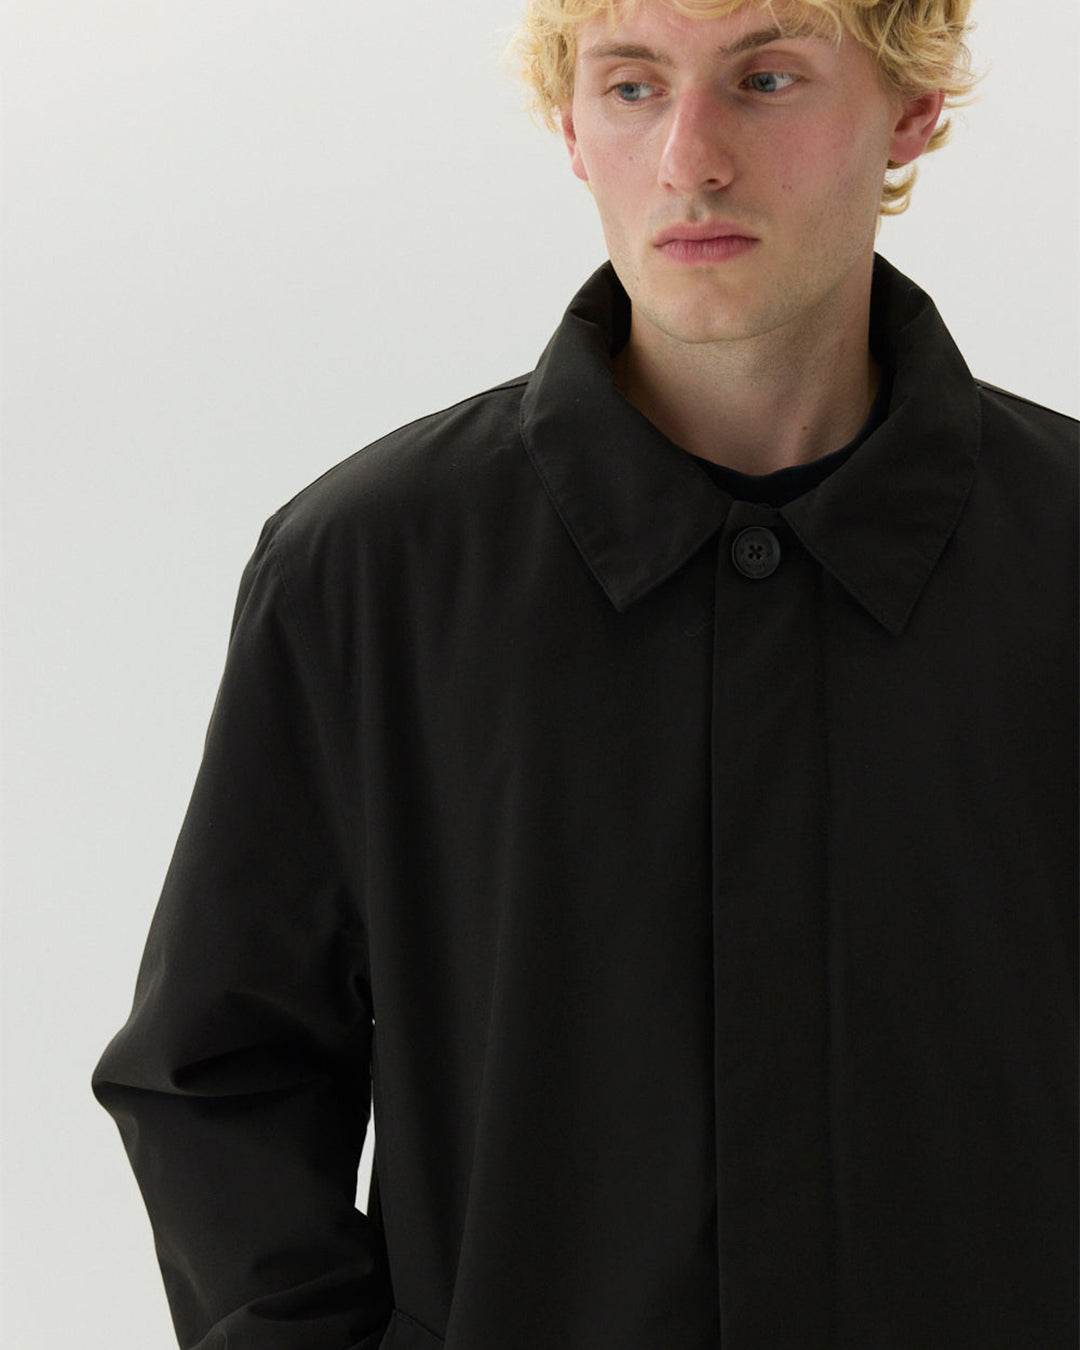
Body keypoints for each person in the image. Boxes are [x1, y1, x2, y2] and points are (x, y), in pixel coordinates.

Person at [93, 1, 1078, 1346]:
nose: (690, 157)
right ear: (570, 124)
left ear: (912, 107)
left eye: (766, 78)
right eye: (631, 85)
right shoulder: (368, 572)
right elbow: (220, 1076)